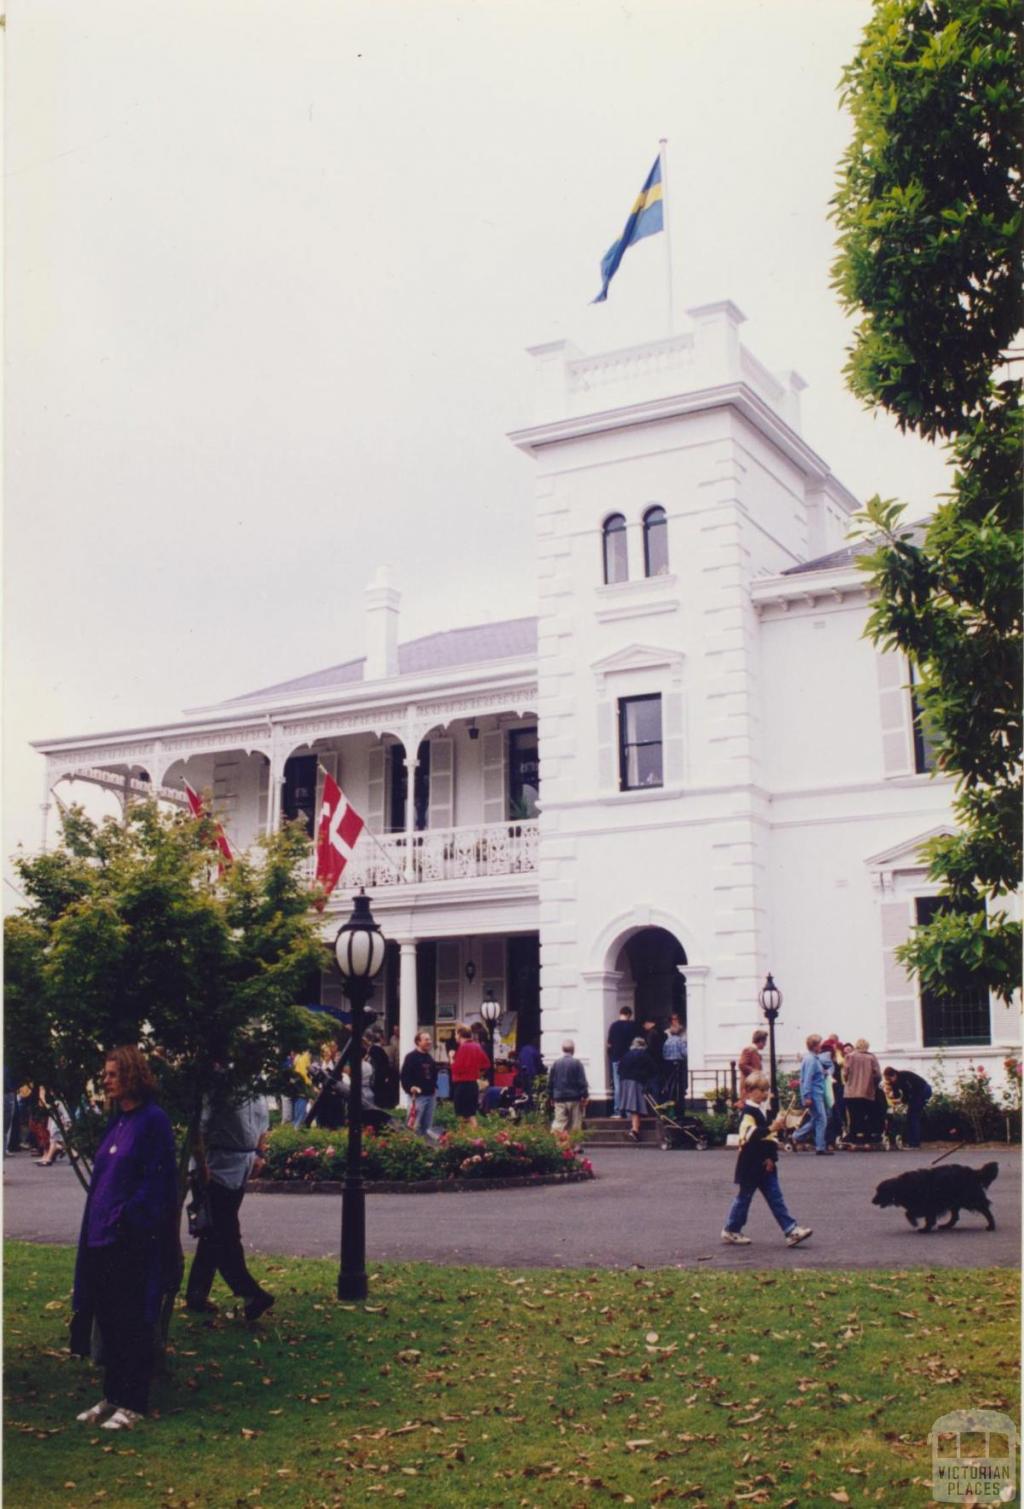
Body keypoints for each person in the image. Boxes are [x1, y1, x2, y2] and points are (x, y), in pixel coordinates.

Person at [71, 1046, 180, 1432]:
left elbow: (158, 1182)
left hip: (132, 1241)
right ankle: (112, 1394)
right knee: (110, 1319)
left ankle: (134, 1401)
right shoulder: (117, 1121)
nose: (106, 1080)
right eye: (105, 1074)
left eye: (113, 1074)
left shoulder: (154, 1122)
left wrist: (126, 1217)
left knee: (132, 1319)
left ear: (132, 1075)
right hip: (101, 1239)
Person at [185, 1080, 274, 1322]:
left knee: (214, 1234)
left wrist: (259, 1153)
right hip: (215, 1168)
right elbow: (198, 1129)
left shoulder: (255, 1086)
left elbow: (262, 1122)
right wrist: (201, 1164)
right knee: (225, 1234)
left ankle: (196, 1294)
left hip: (240, 1166)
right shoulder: (217, 1086)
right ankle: (251, 1292)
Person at [721, 1072, 812, 1248]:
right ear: (749, 1091)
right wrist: (771, 1128)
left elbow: (767, 1137)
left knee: (774, 1197)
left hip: (764, 1164)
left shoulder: (760, 1111)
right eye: (761, 1090)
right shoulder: (748, 1112)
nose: (765, 1094)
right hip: (751, 1164)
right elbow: (749, 1135)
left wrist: (772, 1152)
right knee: (744, 1198)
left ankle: (790, 1229)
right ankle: (731, 1228)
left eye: (766, 1090)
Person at [790, 1034, 832, 1155]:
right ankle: (819, 1146)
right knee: (822, 1119)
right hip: (814, 1094)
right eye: (819, 1044)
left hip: (815, 1092)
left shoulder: (812, 1059)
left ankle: (797, 1136)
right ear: (814, 1046)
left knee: (817, 1119)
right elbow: (807, 1079)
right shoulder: (812, 1060)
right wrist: (807, 1096)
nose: (821, 1046)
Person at [617, 1036, 659, 1143]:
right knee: (635, 1106)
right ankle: (635, 1130)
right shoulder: (644, 1055)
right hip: (635, 1081)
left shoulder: (626, 1055)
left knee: (631, 1104)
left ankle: (633, 1126)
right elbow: (653, 1069)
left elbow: (619, 1069)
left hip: (624, 1081)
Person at [842, 1038, 882, 1149]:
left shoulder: (849, 1056)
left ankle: (854, 1140)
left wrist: (848, 1081)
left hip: (851, 1093)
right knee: (867, 1115)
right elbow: (878, 1075)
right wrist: (874, 1084)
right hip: (867, 1092)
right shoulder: (872, 1057)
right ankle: (866, 1141)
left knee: (854, 1116)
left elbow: (845, 1073)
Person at [882, 1066, 932, 1149]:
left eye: (890, 1078)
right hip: (916, 1093)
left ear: (894, 1075)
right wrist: (892, 1098)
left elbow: (908, 1092)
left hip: (923, 1090)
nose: (889, 1081)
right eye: (887, 1079)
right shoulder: (894, 1081)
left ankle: (914, 1143)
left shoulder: (904, 1076)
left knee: (913, 1116)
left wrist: (902, 1101)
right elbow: (896, 1093)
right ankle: (913, 1142)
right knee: (912, 1116)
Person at [450, 1024, 490, 1127]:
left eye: (455, 1034)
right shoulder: (476, 1046)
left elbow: (455, 1069)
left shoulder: (463, 1047)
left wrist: (451, 1058)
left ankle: (466, 1139)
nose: (455, 1036)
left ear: (459, 1034)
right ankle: (475, 1139)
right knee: (471, 1114)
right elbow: (486, 1064)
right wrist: (476, 1073)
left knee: (461, 1116)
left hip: (462, 1085)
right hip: (473, 1084)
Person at [400, 1031, 439, 1136]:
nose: (429, 1042)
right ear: (418, 1042)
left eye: (430, 1039)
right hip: (418, 1097)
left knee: (427, 1127)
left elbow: (434, 1074)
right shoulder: (411, 1057)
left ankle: (425, 1149)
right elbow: (404, 1076)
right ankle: (410, 1147)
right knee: (413, 1126)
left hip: (431, 1095)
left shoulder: (429, 1058)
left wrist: (435, 1087)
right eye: (426, 1040)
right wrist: (410, 1087)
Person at [547, 1040, 589, 1134]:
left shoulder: (556, 1063)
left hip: (559, 1097)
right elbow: (581, 1081)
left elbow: (551, 1081)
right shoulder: (577, 1063)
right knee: (575, 1125)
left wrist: (551, 1096)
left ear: (562, 1049)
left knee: (559, 1123)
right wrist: (585, 1096)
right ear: (573, 1050)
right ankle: (573, 1145)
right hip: (574, 1098)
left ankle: (557, 1144)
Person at [606, 1007, 635, 1119]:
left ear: (620, 1013)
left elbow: (609, 1045)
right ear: (629, 1015)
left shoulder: (613, 1026)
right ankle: (629, 1111)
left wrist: (611, 1056)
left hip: (616, 1058)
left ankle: (618, 1111)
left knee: (618, 1086)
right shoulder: (633, 1026)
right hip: (629, 1059)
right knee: (629, 1085)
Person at [662, 1017, 688, 1114]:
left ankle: (670, 1105)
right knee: (678, 1086)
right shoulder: (679, 1041)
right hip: (678, 1063)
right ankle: (678, 1105)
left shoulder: (667, 1041)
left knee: (670, 1084)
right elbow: (685, 1053)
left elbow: (663, 1053)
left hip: (667, 1063)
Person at [737, 1030, 768, 1096]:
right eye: (764, 1042)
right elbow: (742, 1065)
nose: (765, 1044)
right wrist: (756, 1072)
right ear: (760, 1041)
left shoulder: (755, 1052)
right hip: (748, 1086)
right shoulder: (748, 1050)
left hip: (754, 1086)